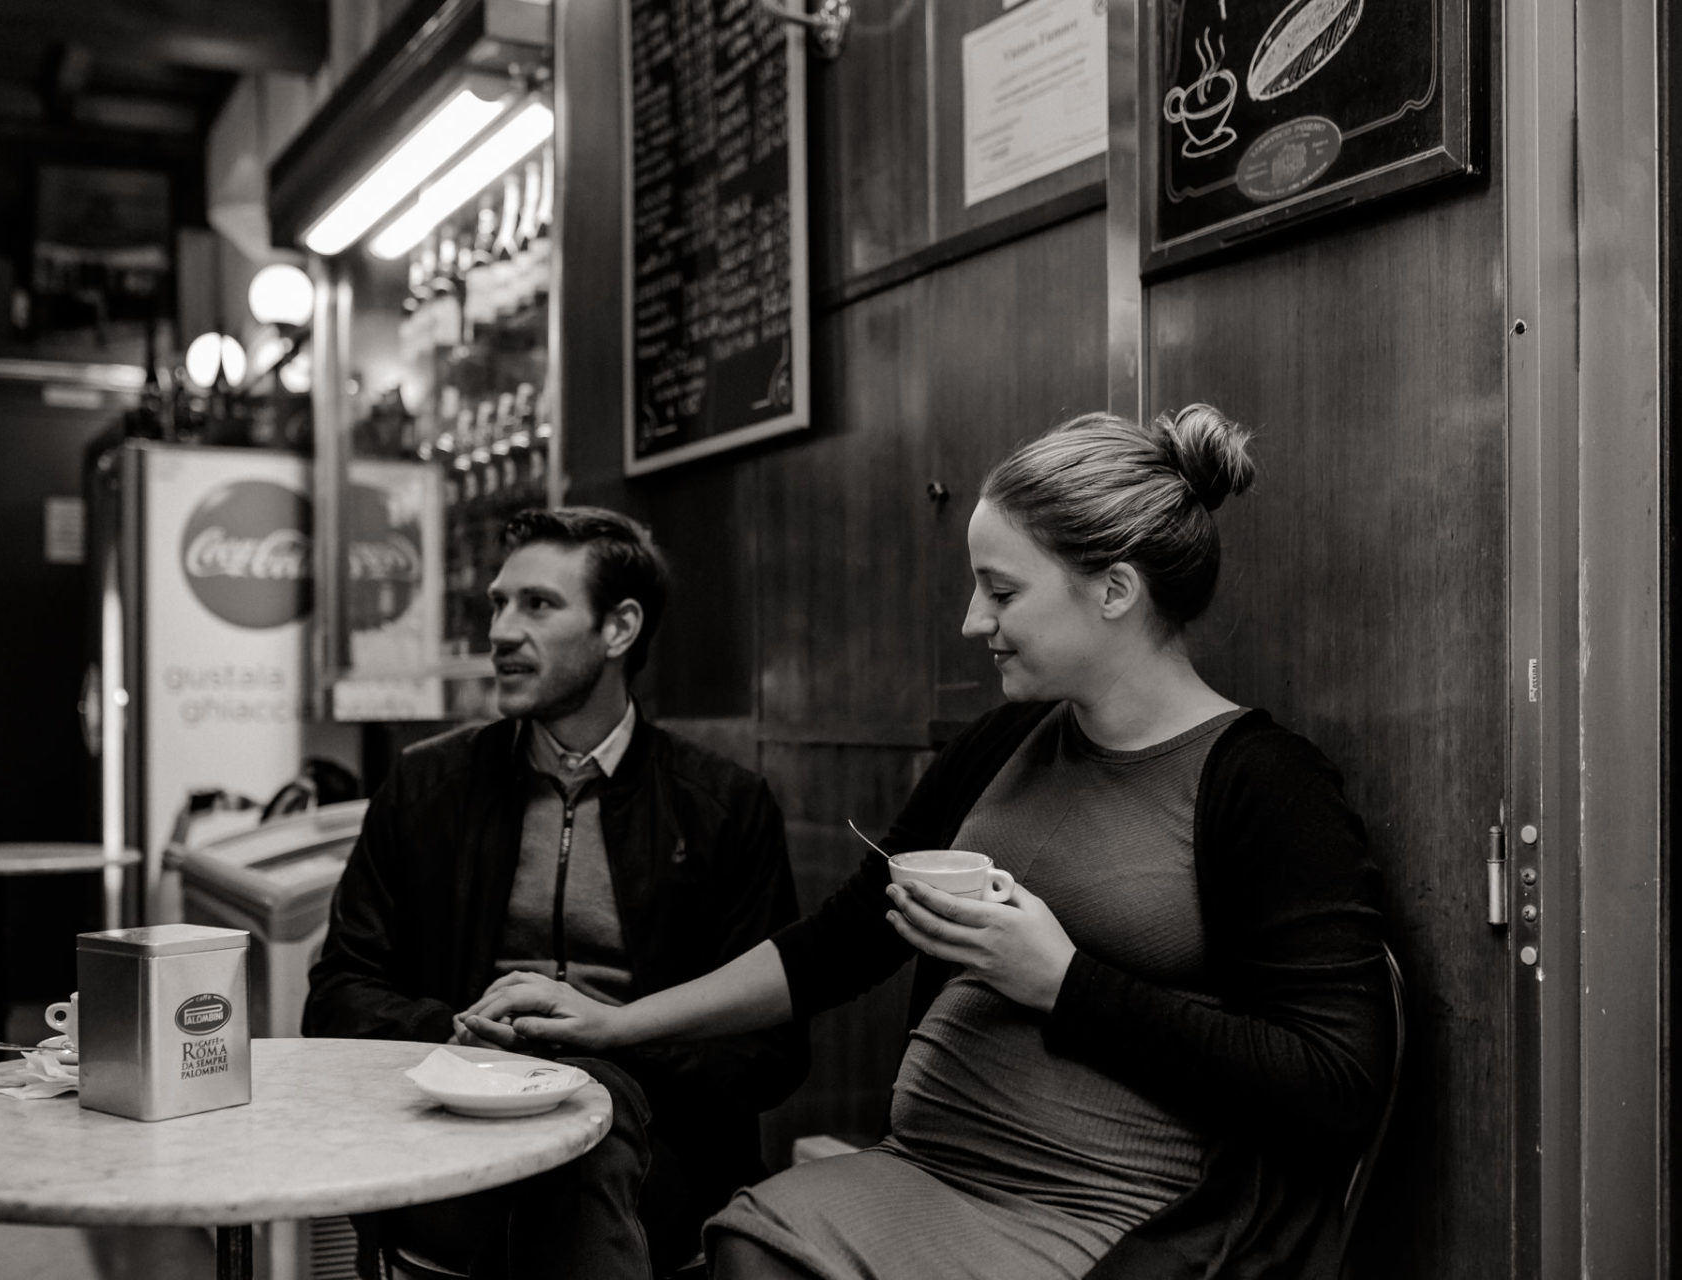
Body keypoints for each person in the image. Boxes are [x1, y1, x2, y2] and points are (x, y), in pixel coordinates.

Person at [459, 409, 1397, 1280]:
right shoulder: (1005, 740)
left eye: (1000, 590)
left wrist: (1062, 982)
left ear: (1115, 590)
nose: (971, 622)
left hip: (1112, 1216)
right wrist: (615, 1022)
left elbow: (1337, 1083)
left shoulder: (1265, 785)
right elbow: (842, 942)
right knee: (748, 1240)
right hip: (929, 1169)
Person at [303, 506, 809, 1280]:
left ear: (620, 628)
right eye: (498, 604)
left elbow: (772, 1052)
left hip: (653, 1138)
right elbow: (337, 994)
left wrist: (607, 1038)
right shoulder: (426, 785)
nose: (501, 631)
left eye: (537, 605)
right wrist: (466, 1031)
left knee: (584, 1146)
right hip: (457, 1109)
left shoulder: (722, 804)